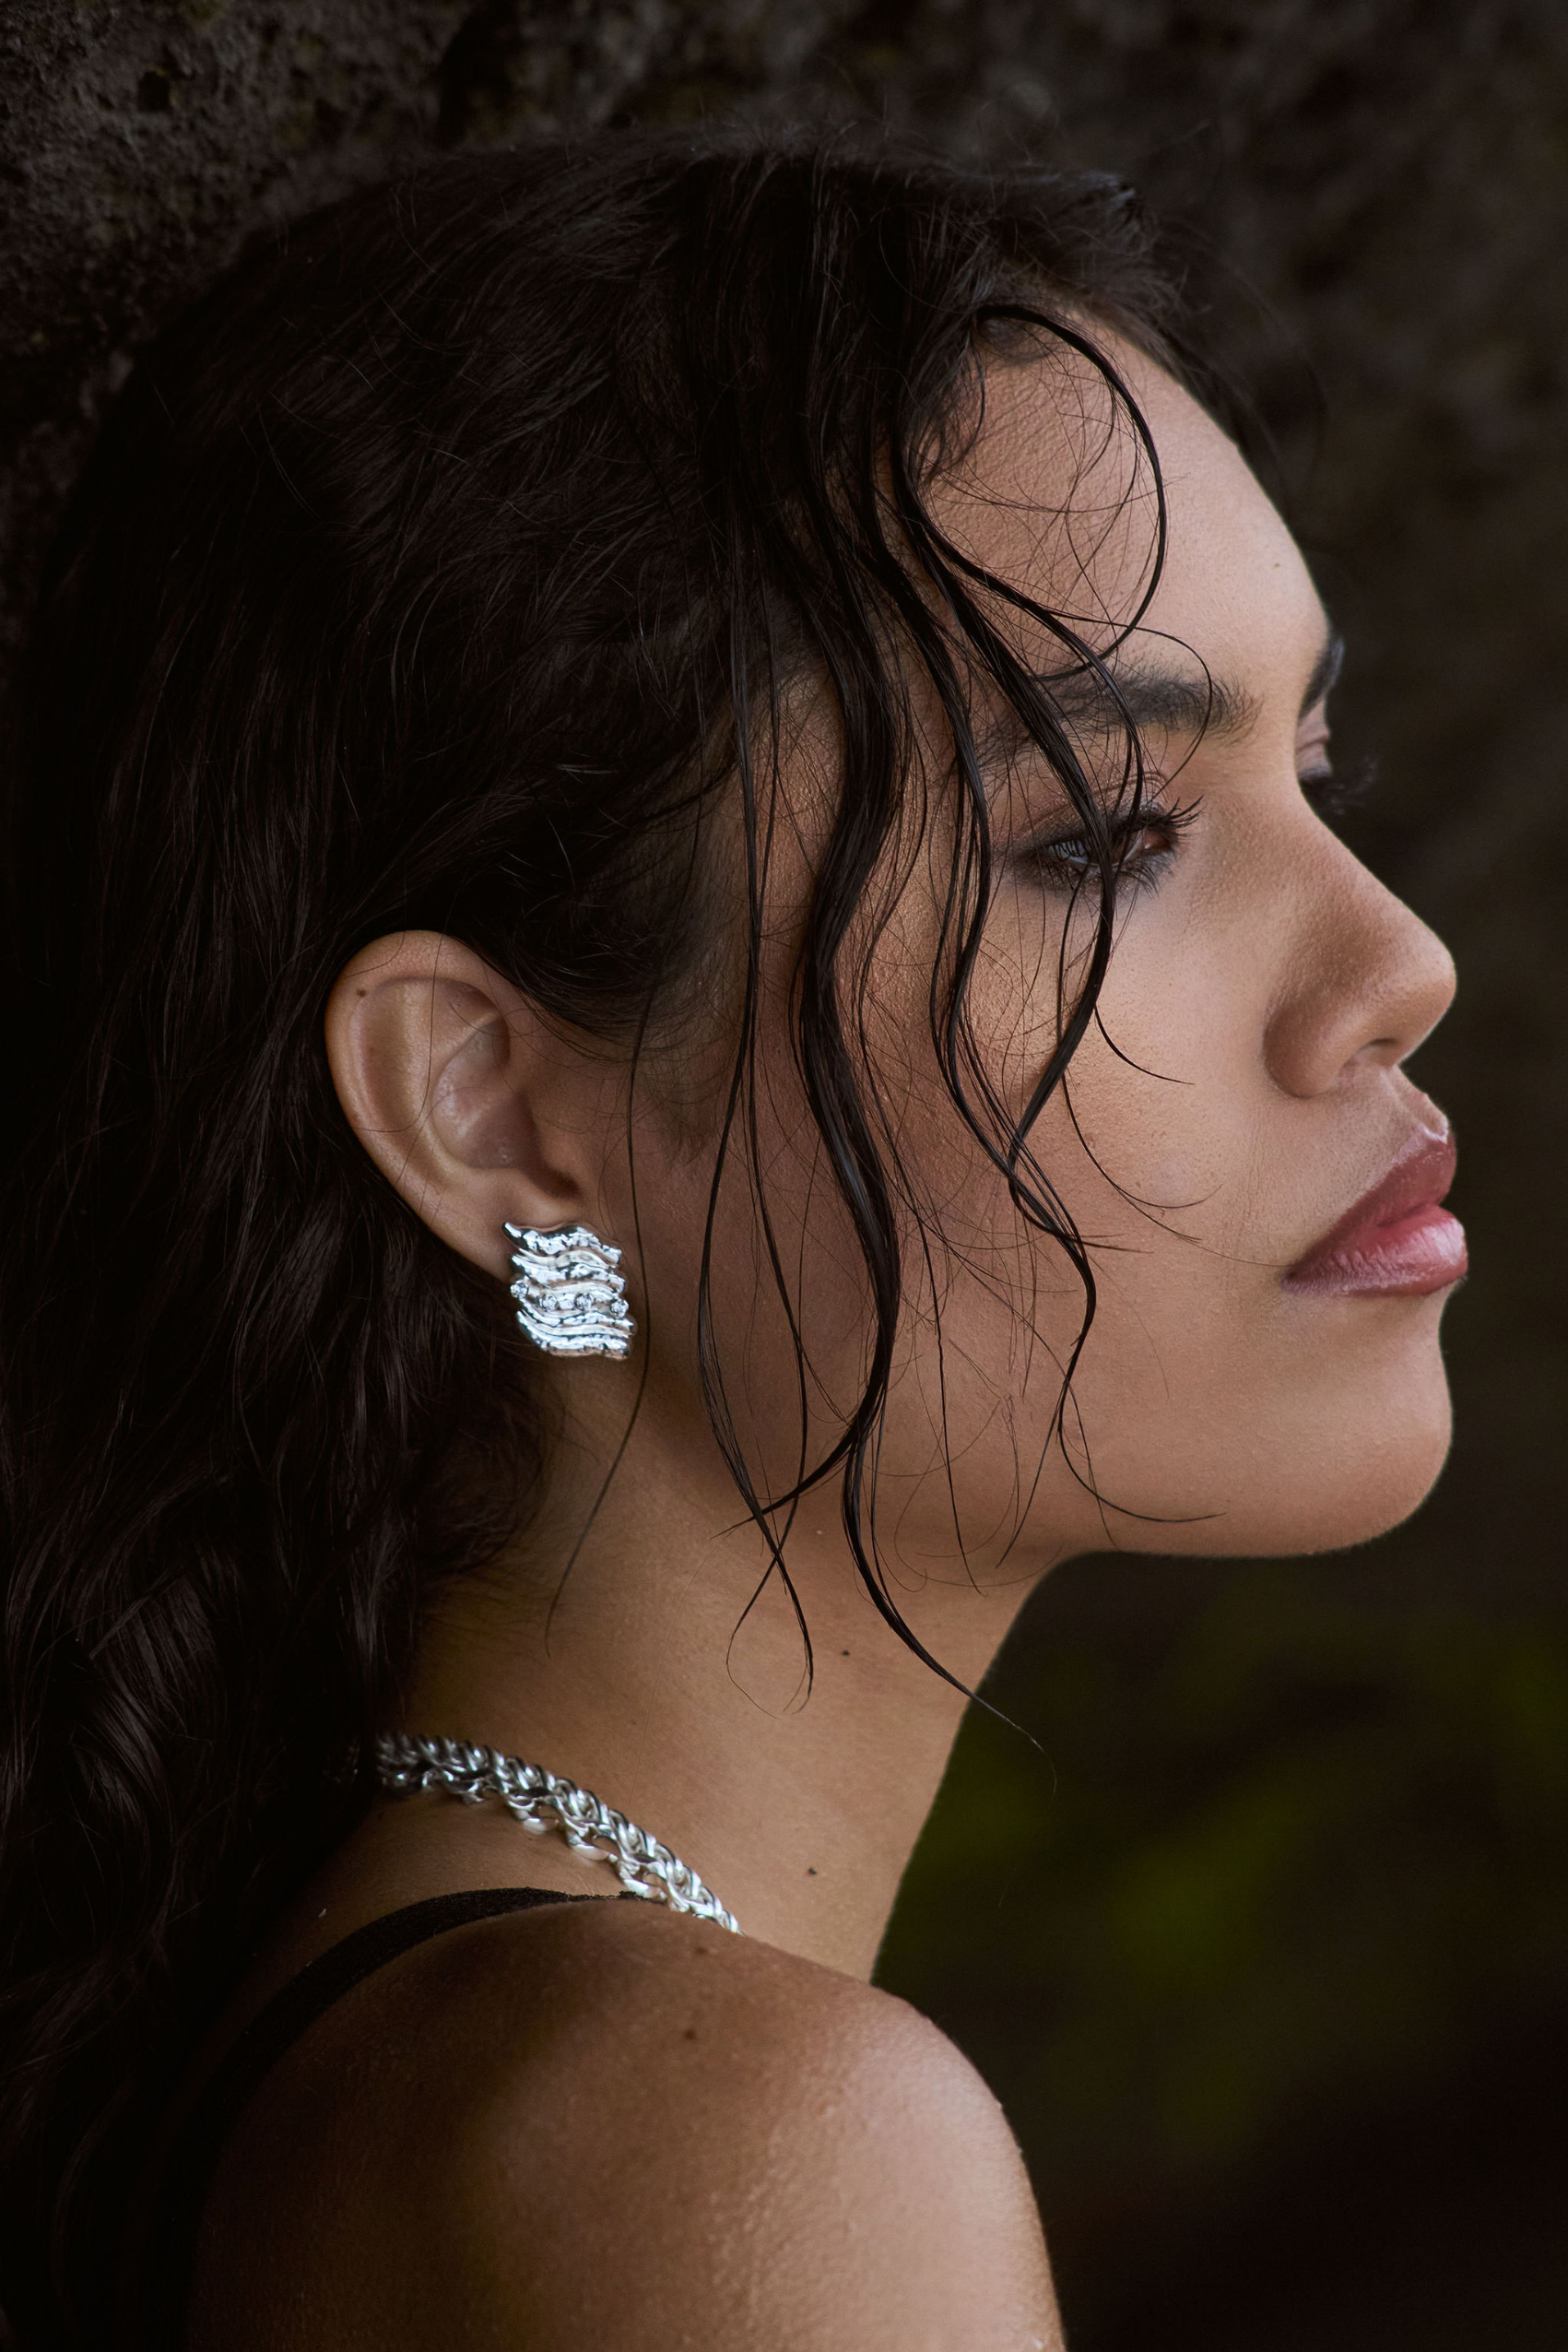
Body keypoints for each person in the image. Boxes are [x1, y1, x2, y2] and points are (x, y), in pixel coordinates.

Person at [0, 127, 1465, 2350]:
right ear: (497, 1113)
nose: (1401, 962)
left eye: (1314, 769)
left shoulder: (433, 2079)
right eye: (1105, 835)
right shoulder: (732, 2149)